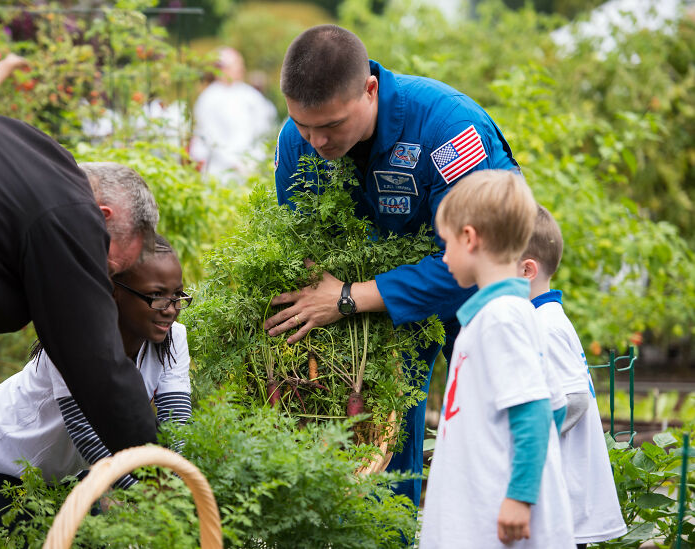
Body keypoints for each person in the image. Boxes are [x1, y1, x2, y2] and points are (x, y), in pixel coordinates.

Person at [266, 24, 520, 506]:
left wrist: (347, 298)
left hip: (469, 297)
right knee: (379, 450)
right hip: (371, 310)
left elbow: (478, 256)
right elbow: (301, 242)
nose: (316, 141)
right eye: (304, 125)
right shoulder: (296, 142)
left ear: (370, 89)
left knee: (496, 428)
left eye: (332, 125)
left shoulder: (448, 128)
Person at [419, 170, 574, 548]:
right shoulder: (507, 314)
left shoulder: (501, 318)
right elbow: (557, 406)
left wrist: (520, 497)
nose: (444, 255)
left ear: (469, 238)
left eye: (446, 243)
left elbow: (536, 411)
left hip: (496, 520)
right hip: (483, 509)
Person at [0, 235, 192, 529]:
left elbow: (176, 423)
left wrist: (180, 486)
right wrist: (147, 494)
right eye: (157, 295)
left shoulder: (173, 337)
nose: (171, 309)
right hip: (4, 459)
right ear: (114, 292)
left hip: (66, 474)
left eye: (177, 295)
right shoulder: (73, 336)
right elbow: (84, 430)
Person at [0, 115, 159, 455]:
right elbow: (97, 365)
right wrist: (156, 468)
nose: (101, 283)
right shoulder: (71, 214)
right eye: (106, 268)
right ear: (102, 216)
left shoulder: (44, 159)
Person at [517, 205, 627, 548]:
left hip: (564, 499)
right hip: (561, 500)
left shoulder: (545, 325)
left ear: (525, 270)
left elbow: (574, 398)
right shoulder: (547, 318)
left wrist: (529, 436)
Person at [189, 47, 277, 182]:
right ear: (221, 69)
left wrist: (256, 158)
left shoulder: (250, 95)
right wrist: (234, 162)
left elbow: (263, 127)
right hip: (219, 169)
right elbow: (210, 137)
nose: (241, 69)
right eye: (236, 65)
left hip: (251, 165)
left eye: (241, 65)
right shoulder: (209, 98)